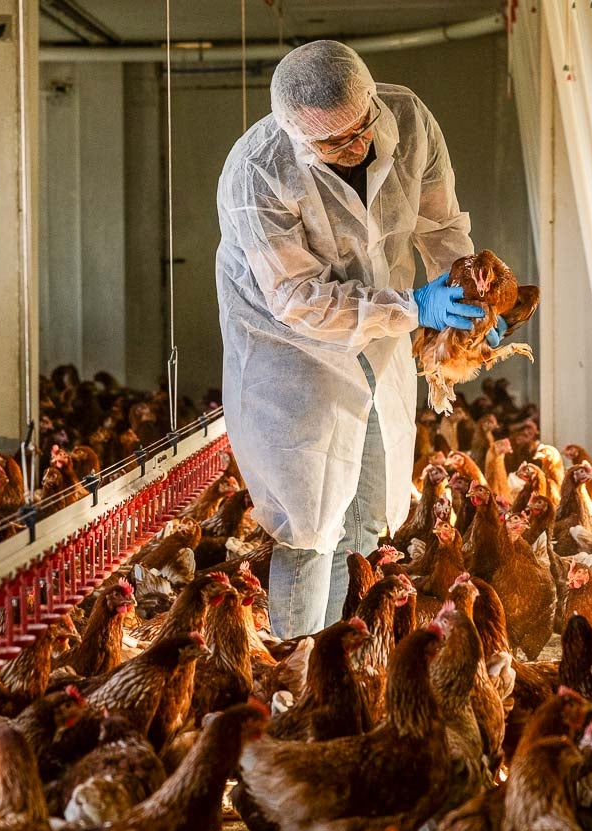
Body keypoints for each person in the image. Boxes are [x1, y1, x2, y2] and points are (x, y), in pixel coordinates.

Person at [215, 40, 505, 638]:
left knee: (370, 504)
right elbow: (297, 300)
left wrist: (471, 300)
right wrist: (413, 305)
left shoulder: (411, 122)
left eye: (361, 129)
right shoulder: (259, 172)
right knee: (308, 517)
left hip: (381, 336)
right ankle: (298, 664)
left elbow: (442, 225)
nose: (356, 148)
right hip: (290, 348)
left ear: (373, 99)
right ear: (295, 135)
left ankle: (351, 652)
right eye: (332, 143)